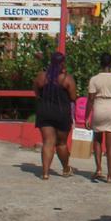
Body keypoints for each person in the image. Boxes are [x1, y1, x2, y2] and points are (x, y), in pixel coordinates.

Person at [32, 52, 77, 180]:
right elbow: (73, 97)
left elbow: (36, 92)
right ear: (62, 63)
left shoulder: (41, 76)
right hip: (62, 112)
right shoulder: (67, 78)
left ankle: (45, 173)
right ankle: (66, 168)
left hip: (45, 111)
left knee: (47, 142)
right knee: (61, 143)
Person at [86, 53, 111, 183]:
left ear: (100, 63)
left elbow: (90, 100)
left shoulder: (94, 79)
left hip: (99, 108)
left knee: (97, 139)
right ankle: (109, 175)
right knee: (110, 144)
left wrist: (87, 116)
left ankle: (98, 169)